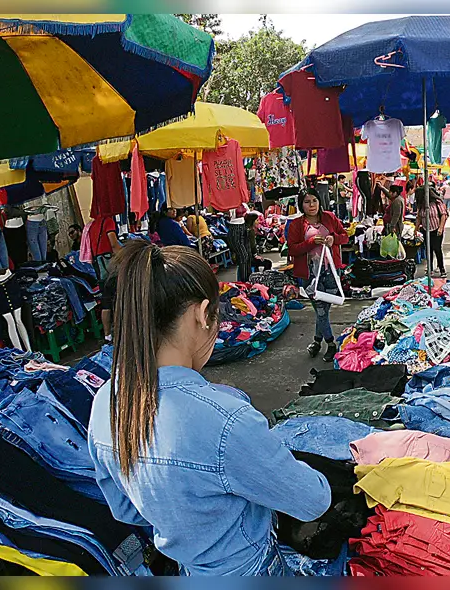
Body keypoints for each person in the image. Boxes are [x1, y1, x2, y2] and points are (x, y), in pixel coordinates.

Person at [87, 242, 331, 575]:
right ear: (202, 314)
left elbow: (126, 510)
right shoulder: (226, 421)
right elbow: (312, 500)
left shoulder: (106, 401)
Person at [287, 191, 348, 362]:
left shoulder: (329, 218)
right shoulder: (296, 225)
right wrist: (310, 243)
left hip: (331, 272)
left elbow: (344, 237)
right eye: (307, 202)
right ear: (301, 205)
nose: (312, 205)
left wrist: (333, 239)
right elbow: (292, 249)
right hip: (309, 273)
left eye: (315, 201)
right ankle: (331, 344)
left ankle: (316, 341)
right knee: (320, 310)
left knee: (323, 311)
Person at [416, 186, 448, 278]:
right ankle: (430, 269)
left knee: (437, 249)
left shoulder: (437, 203)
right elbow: (419, 217)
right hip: (426, 230)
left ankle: (442, 269)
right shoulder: (421, 205)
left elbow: (443, 215)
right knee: (428, 250)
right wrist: (416, 229)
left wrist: (441, 228)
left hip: (436, 229)